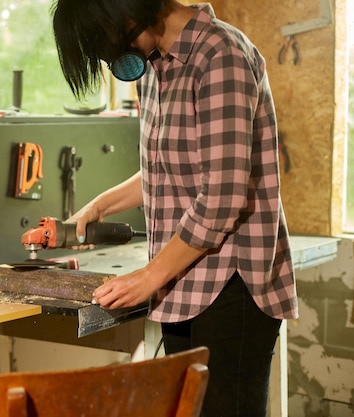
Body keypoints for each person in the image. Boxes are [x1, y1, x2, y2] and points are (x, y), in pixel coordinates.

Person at [51, 1, 298, 417]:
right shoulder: (153, 65)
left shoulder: (221, 56)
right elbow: (165, 168)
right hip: (182, 281)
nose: (113, 57)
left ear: (126, 13)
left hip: (231, 285)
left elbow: (222, 197)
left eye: (108, 44)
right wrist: (98, 207)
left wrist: (148, 276)